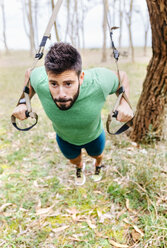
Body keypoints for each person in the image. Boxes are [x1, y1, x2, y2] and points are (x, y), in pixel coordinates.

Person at [12, 42, 133, 185]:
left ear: (81, 77)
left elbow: (122, 77)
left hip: (94, 135)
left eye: (68, 83)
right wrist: (23, 102)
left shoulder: (99, 82)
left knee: (97, 155)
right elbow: (29, 74)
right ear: (47, 77)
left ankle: (98, 165)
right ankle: (79, 167)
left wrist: (124, 103)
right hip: (64, 138)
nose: (61, 94)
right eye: (54, 84)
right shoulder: (41, 79)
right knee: (74, 160)